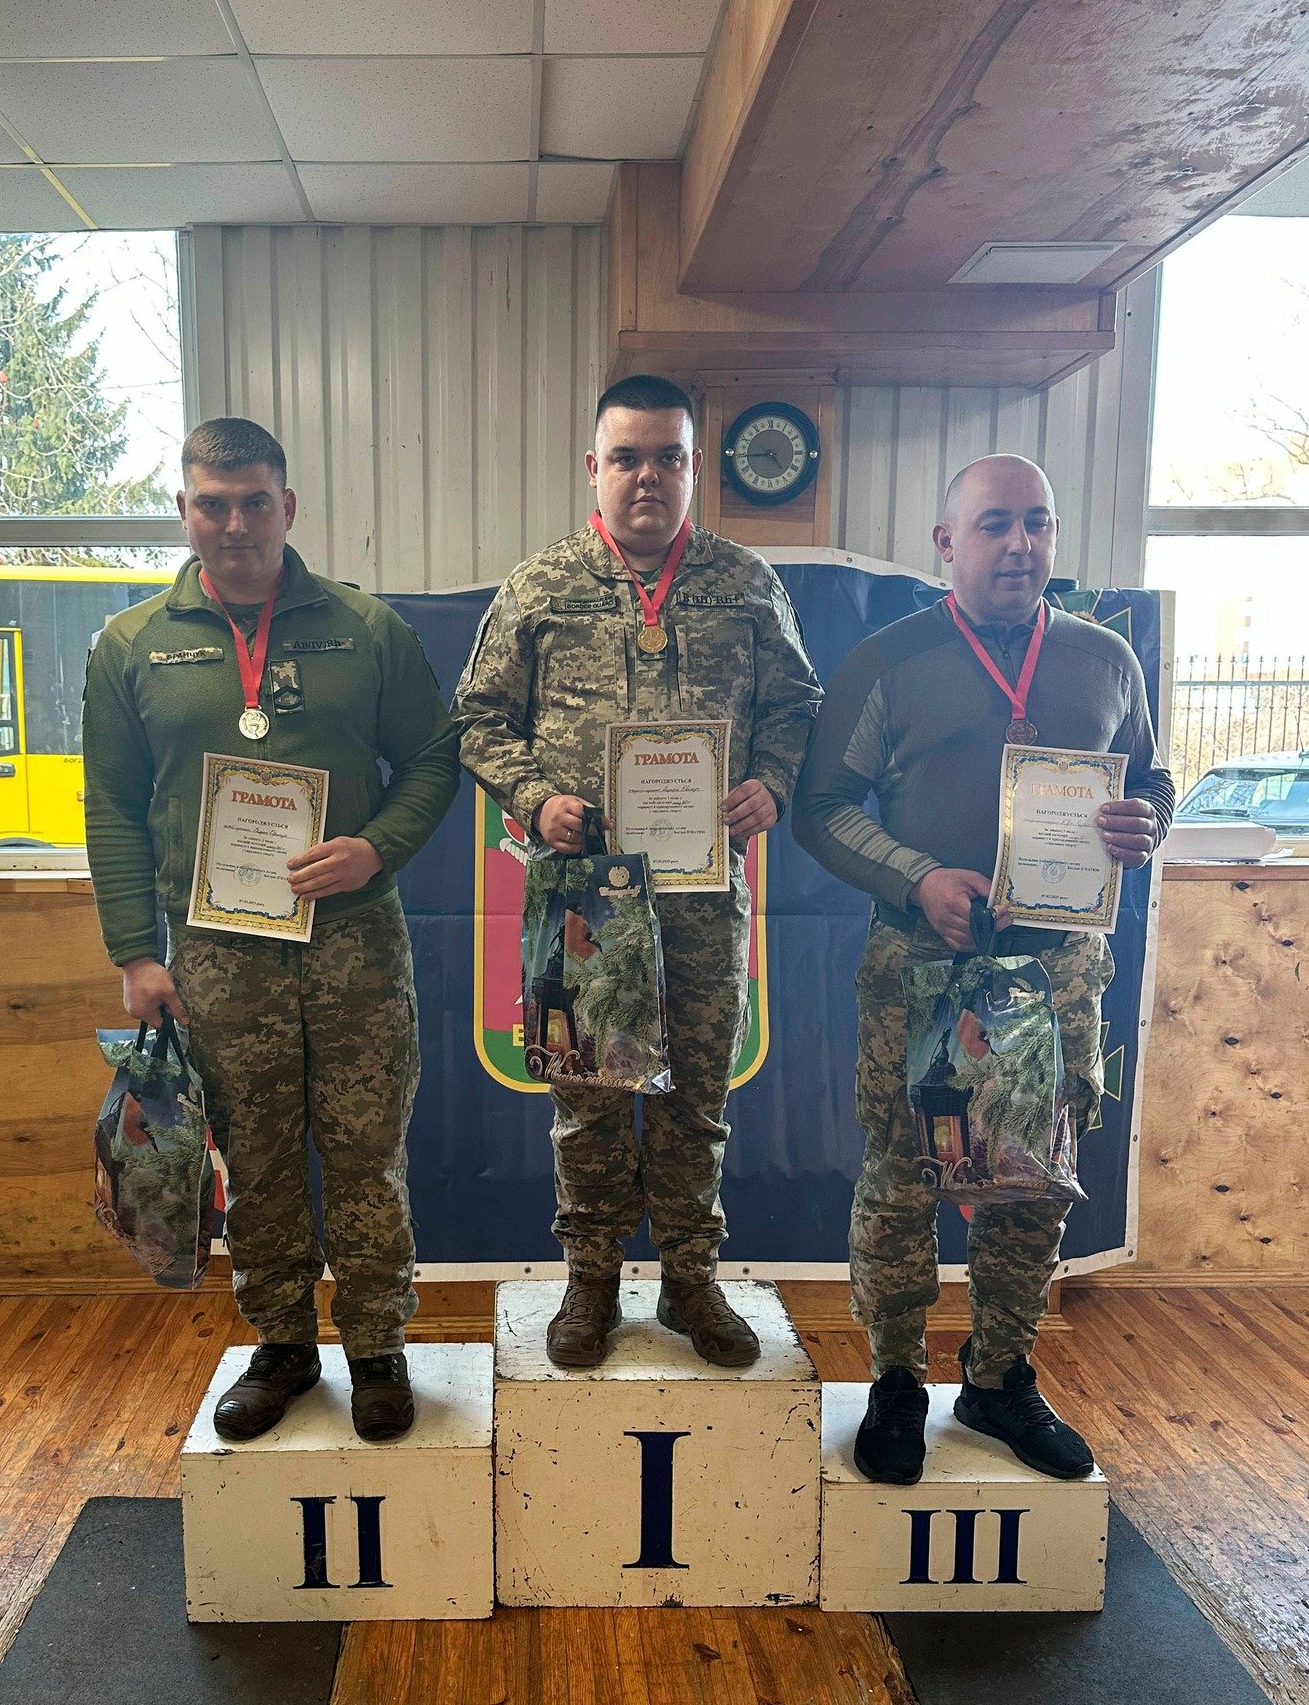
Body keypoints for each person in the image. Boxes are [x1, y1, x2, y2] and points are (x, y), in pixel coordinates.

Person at [791, 454, 1174, 1483]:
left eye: (1037, 523)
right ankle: (895, 1380)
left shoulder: (1104, 660)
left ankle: (999, 1377)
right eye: (995, 524)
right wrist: (915, 877)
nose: (1019, 545)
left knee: (1031, 1183)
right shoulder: (887, 660)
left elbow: (1152, 778)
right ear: (945, 542)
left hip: (1055, 972)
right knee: (903, 1179)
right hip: (923, 965)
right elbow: (820, 807)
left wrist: (1147, 822)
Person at [83, 417, 460, 1442]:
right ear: (184, 511)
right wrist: (135, 951)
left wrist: (375, 847)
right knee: (253, 1157)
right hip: (215, 950)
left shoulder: (365, 629)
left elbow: (434, 757)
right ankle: (284, 1344)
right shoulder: (131, 646)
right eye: (213, 504)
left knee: (365, 1153)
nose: (236, 524)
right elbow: (111, 806)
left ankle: (376, 1345)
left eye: (255, 502)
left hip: (353, 939)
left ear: (287, 507)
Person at [455, 375, 823, 1368]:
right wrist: (536, 798)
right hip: (584, 897)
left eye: (668, 457)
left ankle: (691, 1282)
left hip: (702, 898)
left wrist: (772, 783)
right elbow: (477, 719)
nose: (647, 476)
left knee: (694, 1103)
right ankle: (589, 1284)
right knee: (588, 1100)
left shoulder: (746, 584)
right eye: (627, 457)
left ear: (694, 467)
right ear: (594, 467)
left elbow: (796, 704)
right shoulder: (540, 588)